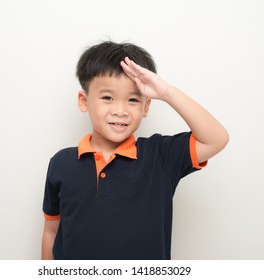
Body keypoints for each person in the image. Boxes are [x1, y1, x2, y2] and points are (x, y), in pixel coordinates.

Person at [41, 41, 229, 260]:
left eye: (132, 100)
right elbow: (51, 230)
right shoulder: (61, 163)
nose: (120, 111)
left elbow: (216, 139)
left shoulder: (160, 156)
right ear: (84, 101)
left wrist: (167, 92)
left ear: (146, 107)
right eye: (107, 98)